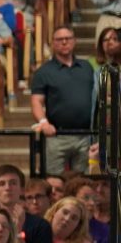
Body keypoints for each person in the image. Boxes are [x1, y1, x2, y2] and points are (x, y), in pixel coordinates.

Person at [31, 25, 95, 175]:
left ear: (75, 41)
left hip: (86, 135)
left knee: (83, 183)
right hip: (56, 136)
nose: (64, 42)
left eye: (68, 39)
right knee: (54, 182)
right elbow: (36, 101)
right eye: (60, 39)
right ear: (53, 43)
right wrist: (43, 123)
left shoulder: (87, 67)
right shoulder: (44, 71)